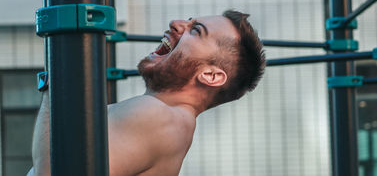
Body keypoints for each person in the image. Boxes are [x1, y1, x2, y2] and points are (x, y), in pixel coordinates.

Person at [28, 10, 265, 176]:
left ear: (211, 76)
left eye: (196, 31)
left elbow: (51, 173)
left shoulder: (160, 117)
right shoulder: (171, 123)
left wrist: (56, 77)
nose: (177, 23)